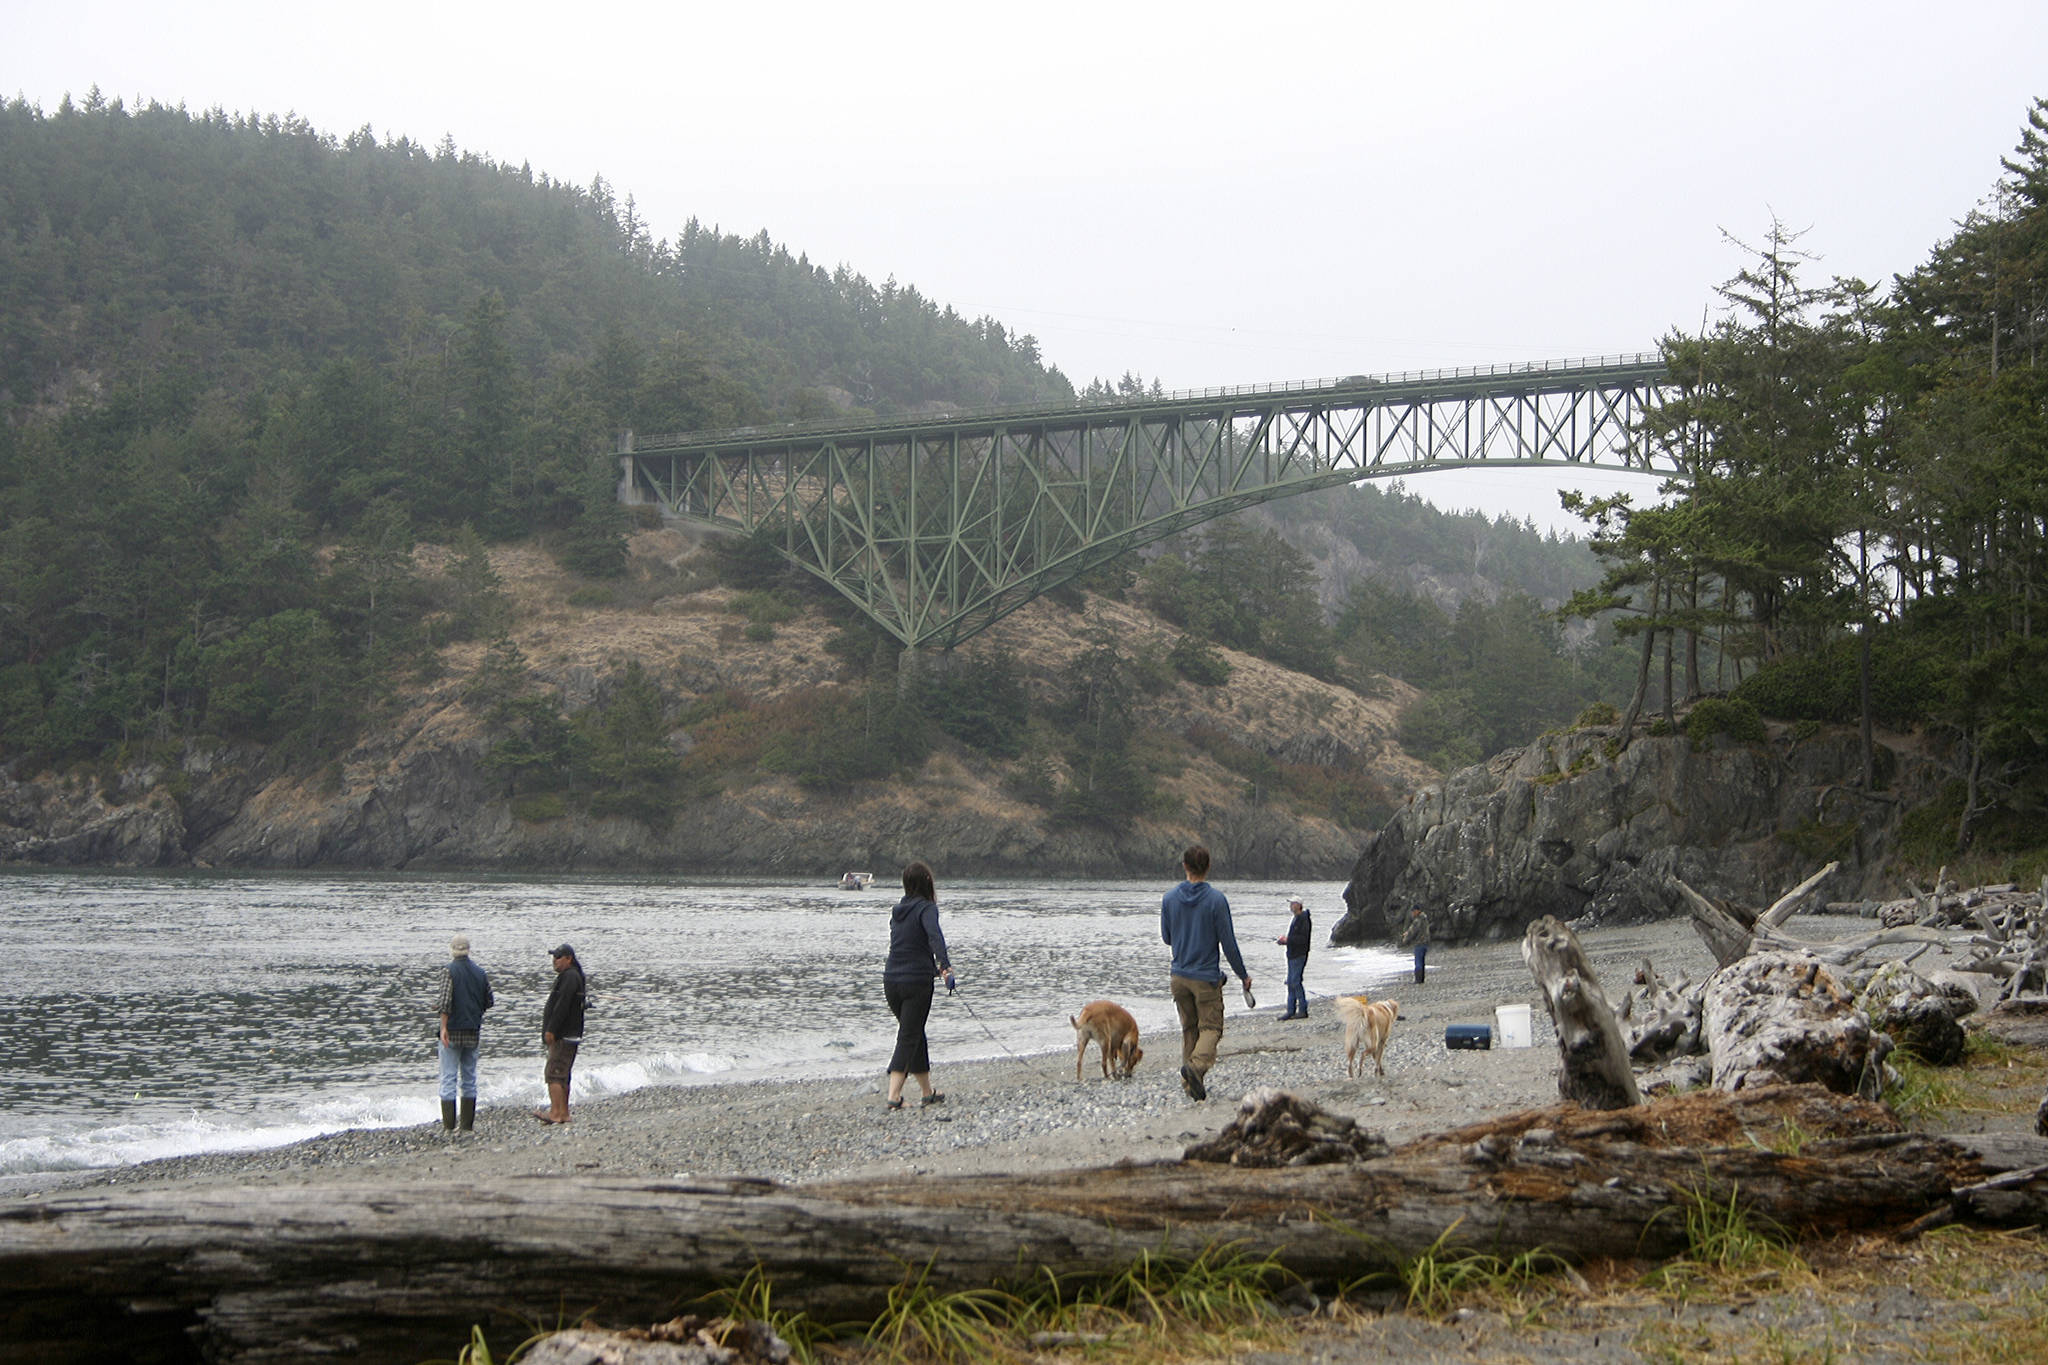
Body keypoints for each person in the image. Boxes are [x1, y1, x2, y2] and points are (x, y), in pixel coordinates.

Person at [1161, 844, 1250, 1101]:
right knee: (1211, 1028)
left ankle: (1189, 1084)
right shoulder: (1216, 901)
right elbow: (1229, 944)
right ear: (1208, 867)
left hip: (1178, 976)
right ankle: (1196, 1068)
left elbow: (1167, 938)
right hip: (1205, 977)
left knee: (1189, 1029)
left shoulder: (1169, 899)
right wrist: (1243, 975)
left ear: (1185, 866)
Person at [882, 860, 955, 1110]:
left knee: (914, 1032)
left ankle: (927, 1092)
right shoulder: (927, 909)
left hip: (891, 981)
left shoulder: (897, 911)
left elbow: (907, 945)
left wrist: (932, 967)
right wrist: (945, 967)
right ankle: (894, 1096)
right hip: (915, 983)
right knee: (909, 1035)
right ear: (928, 883)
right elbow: (934, 936)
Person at [436, 934, 494, 1134]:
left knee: (448, 1078)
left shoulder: (448, 971)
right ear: (468, 950)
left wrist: (443, 1027)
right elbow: (489, 1001)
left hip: (452, 1031)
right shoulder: (480, 972)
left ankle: (449, 1126)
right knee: (469, 1078)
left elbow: (445, 1002)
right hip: (472, 1030)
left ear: (452, 950)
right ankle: (467, 1126)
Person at [534, 943, 585, 1124]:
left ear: (568, 959)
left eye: (558, 957)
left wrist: (551, 1030)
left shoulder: (570, 977)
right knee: (563, 1075)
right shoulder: (574, 976)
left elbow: (562, 1006)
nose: (554, 961)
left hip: (564, 1034)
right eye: (553, 957)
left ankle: (556, 1113)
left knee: (554, 1074)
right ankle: (563, 1113)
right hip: (571, 1033)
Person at [1276, 894, 1312, 1019]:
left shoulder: (1303, 918)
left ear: (1298, 905)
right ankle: (1290, 1010)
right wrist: (1285, 941)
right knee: (1290, 982)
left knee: (1295, 982)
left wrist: (1287, 940)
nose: (1290, 906)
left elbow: (1303, 939)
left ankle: (1303, 1009)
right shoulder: (1296, 918)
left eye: (1292, 904)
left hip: (1299, 955)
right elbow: (1295, 939)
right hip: (1292, 954)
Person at [1399, 907, 1432, 983]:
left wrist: (1405, 940)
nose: (1412, 913)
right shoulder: (1425, 918)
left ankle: (1418, 980)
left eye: (1413, 911)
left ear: (1417, 911)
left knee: (1418, 962)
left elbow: (1412, 931)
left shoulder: (1417, 920)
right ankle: (1421, 979)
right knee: (1422, 961)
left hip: (1419, 943)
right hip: (1425, 943)